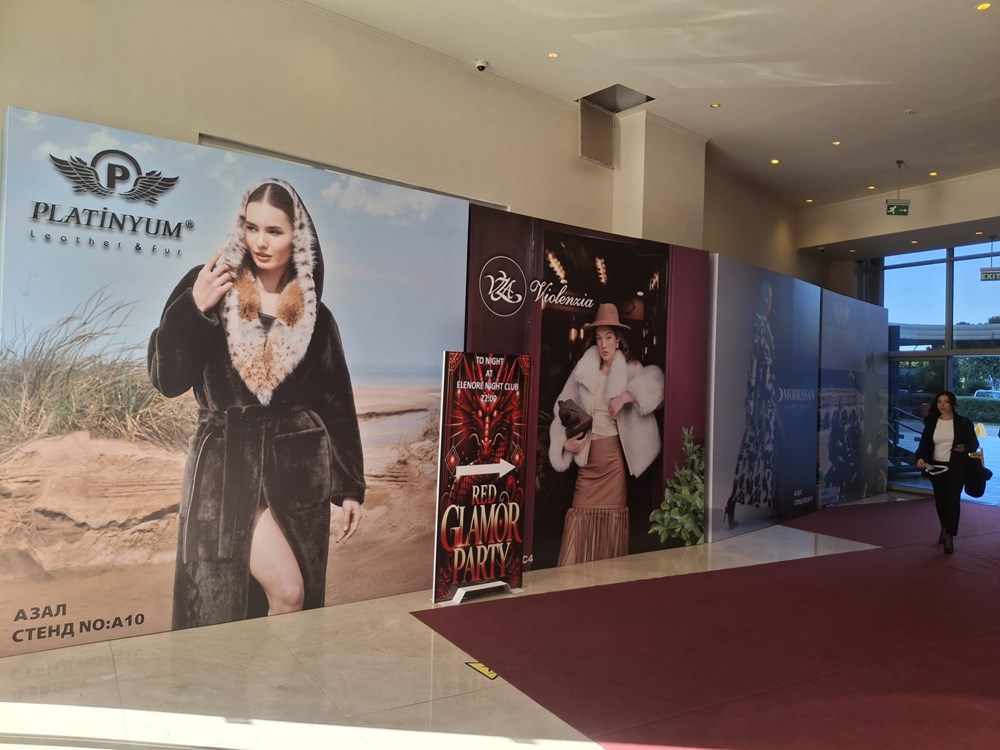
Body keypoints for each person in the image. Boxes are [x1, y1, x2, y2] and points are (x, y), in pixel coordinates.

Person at [148, 178, 366, 628]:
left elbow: (336, 403)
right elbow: (167, 380)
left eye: (274, 231)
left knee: (295, 600)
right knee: (276, 594)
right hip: (225, 468)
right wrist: (194, 310)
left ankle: (273, 676)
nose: (261, 242)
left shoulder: (317, 317)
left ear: (297, 237)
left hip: (297, 470)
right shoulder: (208, 285)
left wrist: (349, 486)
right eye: (251, 228)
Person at [548, 303, 664, 566]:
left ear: (618, 339)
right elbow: (560, 411)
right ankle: (571, 583)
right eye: (599, 338)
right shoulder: (582, 371)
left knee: (611, 526)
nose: (603, 344)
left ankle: (606, 582)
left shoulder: (631, 369)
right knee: (578, 521)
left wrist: (626, 395)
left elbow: (657, 383)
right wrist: (564, 444)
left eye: (609, 337)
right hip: (587, 464)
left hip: (613, 464)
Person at [723, 279, 776, 529]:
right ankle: (733, 503)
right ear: (758, 298)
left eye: (771, 297)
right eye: (765, 296)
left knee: (763, 452)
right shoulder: (757, 326)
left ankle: (759, 503)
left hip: (766, 400)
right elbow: (754, 367)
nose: (768, 302)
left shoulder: (765, 325)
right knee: (751, 451)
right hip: (759, 401)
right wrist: (754, 405)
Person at [915, 390, 978, 554]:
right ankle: (944, 526)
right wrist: (921, 458)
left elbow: (974, 444)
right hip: (936, 467)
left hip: (956, 467)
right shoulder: (932, 423)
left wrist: (965, 447)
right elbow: (924, 444)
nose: (942, 405)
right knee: (941, 500)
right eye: (939, 402)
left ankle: (949, 535)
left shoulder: (963, 422)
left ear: (952, 404)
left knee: (953, 500)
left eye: (946, 402)